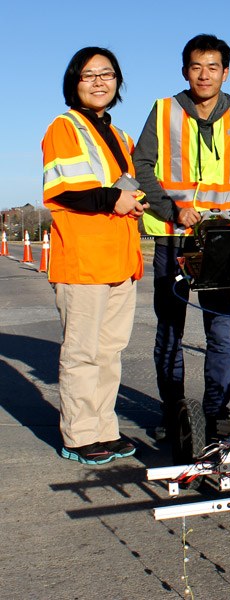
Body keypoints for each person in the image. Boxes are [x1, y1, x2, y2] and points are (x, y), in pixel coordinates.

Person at [133, 34, 230, 441]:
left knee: (220, 328)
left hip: (222, 240)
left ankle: (213, 416)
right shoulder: (163, 111)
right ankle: (173, 413)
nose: (204, 74)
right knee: (170, 329)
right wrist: (171, 208)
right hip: (173, 236)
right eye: (197, 67)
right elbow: (141, 165)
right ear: (185, 71)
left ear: (225, 72)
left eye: (212, 67)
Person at [42, 47, 148, 464]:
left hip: (120, 258)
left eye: (107, 74)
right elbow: (63, 190)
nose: (100, 82)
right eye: (89, 75)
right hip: (83, 259)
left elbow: (131, 186)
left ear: (118, 81)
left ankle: (104, 427)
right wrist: (113, 199)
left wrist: (134, 201)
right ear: (74, 83)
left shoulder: (121, 137)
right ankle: (79, 434)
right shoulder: (64, 127)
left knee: (110, 351)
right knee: (82, 352)